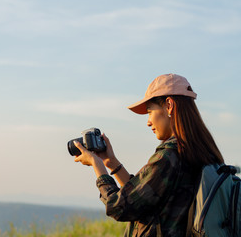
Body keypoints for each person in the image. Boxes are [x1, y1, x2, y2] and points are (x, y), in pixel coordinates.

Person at [73, 74, 224, 236]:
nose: (148, 121)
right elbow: (143, 196)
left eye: (149, 111)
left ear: (169, 105)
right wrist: (112, 163)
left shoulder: (170, 155)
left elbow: (118, 206)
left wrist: (97, 166)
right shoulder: (204, 152)